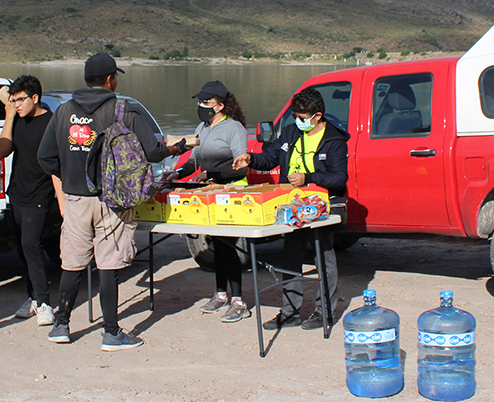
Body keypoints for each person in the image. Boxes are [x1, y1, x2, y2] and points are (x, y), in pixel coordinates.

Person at [37, 53, 186, 350]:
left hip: (76, 199)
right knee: (108, 265)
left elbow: (45, 158)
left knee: (72, 264)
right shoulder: (124, 109)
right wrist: (175, 148)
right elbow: (154, 152)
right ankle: (111, 332)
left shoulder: (63, 111)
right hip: (113, 200)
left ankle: (61, 325)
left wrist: (70, 177)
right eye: (115, 76)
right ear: (109, 79)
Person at [234, 87, 349, 330]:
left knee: (323, 258)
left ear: (317, 116)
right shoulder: (290, 132)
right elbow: (270, 158)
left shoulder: (335, 141)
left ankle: (325, 313)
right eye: (295, 115)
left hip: (321, 209)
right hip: (292, 207)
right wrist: (250, 159)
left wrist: (308, 178)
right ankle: (289, 312)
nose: (298, 121)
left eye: (302, 117)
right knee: (290, 257)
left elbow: (339, 179)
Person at [164, 81, 251, 323]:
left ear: (221, 105)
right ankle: (221, 294)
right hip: (209, 194)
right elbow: (193, 162)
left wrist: (214, 175)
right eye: (200, 102)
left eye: (206, 102)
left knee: (228, 247)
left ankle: (239, 301)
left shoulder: (234, 128)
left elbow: (241, 167)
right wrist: (176, 174)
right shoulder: (201, 128)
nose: (202, 106)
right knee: (216, 245)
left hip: (230, 193)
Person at [0, 75, 63, 326]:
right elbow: (3, 150)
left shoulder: (50, 122)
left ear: (35, 98)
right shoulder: (17, 118)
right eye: (14, 100)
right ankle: (33, 298)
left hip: (40, 195)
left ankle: (45, 302)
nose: (17, 104)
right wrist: (10, 113)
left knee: (32, 246)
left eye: (21, 100)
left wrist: (61, 200)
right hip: (17, 194)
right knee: (23, 250)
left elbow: (58, 165)